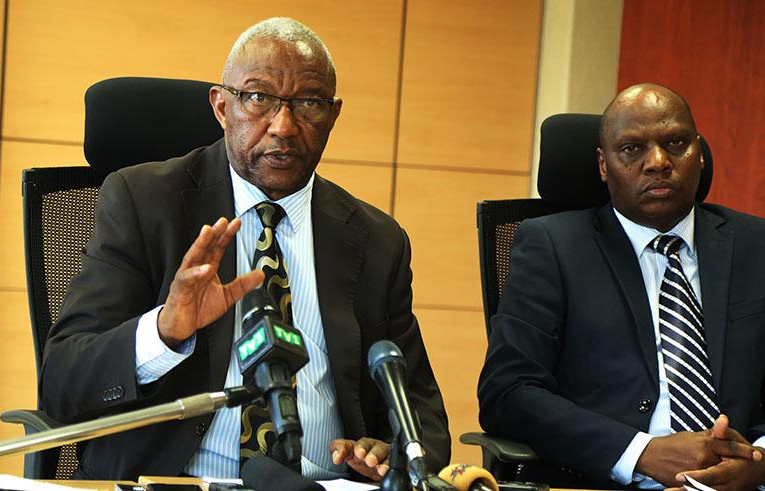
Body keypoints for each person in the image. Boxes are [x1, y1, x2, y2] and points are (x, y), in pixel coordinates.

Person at [39, 17, 450, 482]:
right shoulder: (144, 202)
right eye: (258, 98)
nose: (284, 126)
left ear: (333, 115)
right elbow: (62, 380)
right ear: (221, 106)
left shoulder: (378, 241)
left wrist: (390, 451)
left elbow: (424, 421)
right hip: (184, 482)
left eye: (309, 103)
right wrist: (164, 331)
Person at [478, 83, 765, 489]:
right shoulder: (553, 246)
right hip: (604, 481)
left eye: (676, 143)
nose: (659, 162)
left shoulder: (756, 245)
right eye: (632, 149)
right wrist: (642, 452)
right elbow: (507, 392)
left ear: (699, 154)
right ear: (602, 164)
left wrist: (760, 461)